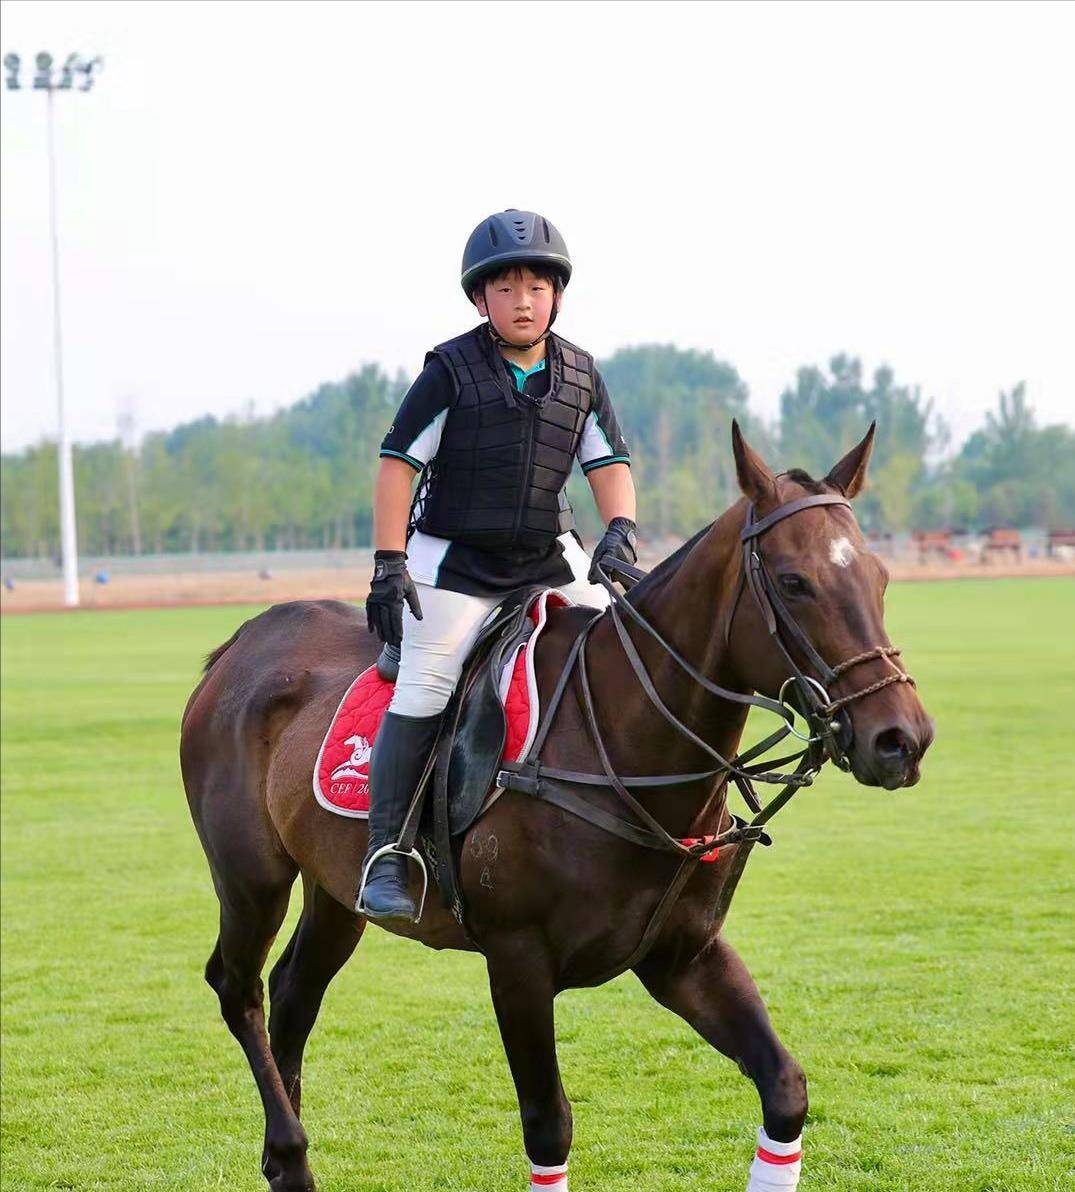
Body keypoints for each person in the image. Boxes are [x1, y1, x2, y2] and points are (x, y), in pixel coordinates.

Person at [359, 209, 639, 921]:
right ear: (480, 300)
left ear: (556, 295)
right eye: (507, 287)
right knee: (425, 682)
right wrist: (389, 563)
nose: (523, 300)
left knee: (629, 652)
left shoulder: (581, 372)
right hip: (454, 564)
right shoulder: (447, 370)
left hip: (548, 557)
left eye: (537, 286)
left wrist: (620, 531)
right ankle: (388, 852)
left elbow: (606, 461)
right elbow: (398, 464)